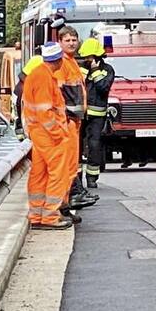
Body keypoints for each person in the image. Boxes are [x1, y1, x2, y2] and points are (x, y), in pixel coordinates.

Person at [22, 43, 72, 229]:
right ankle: (50, 216)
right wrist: (58, 133)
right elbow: (45, 111)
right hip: (49, 135)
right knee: (57, 174)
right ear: (58, 60)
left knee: (39, 174)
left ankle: (36, 215)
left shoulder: (37, 74)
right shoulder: (44, 77)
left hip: (39, 133)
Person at [55, 26, 96, 214]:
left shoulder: (71, 63)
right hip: (68, 120)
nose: (71, 43)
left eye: (74, 40)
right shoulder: (62, 63)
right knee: (68, 163)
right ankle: (69, 198)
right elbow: (59, 93)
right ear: (60, 42)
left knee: (72, 162)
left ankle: (72, 197)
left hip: (74, 120)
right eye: (67, 40)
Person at [78, 38, 114, 189]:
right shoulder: (79, 69)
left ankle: (92, 177)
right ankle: (77, 178)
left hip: (97, 116)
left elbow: (103, 88)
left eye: (91, 57)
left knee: (94, 145)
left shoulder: (108, 70)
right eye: (86, 57)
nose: (88, 59)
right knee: (77, 146)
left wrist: (95, 71)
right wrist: (87, 71)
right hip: (80, 114)